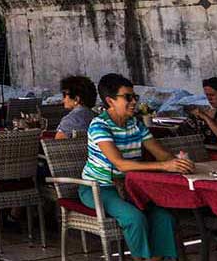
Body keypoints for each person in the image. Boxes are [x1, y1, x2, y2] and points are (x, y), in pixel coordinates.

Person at [81, 73, 192, 261]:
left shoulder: (135, 124)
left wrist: (179, 162)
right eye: (128, 97)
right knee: (134, 218)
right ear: (110, 101)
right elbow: (120, 164)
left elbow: (160, 153)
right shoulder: (99, 126)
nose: (134, 102)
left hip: (131, 186)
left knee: (164, 217)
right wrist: (165, 166)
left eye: (135, 97)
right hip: (99, 188)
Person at [54, 75, 97, 140]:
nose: (63, 100)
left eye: (64, 95)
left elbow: (56, 146)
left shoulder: (69, 121)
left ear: (76, 99)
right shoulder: (98, 118)